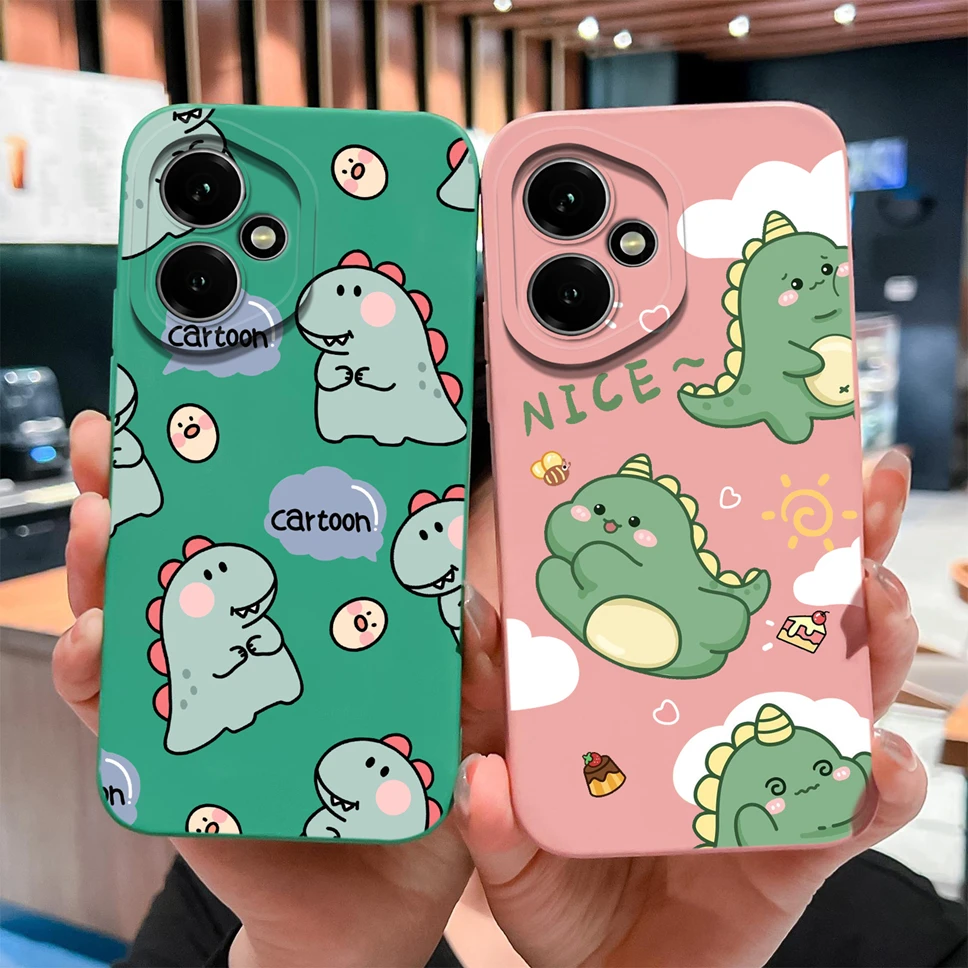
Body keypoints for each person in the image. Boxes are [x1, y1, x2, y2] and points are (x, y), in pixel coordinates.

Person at [53, 405, 966, 967]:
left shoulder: (890, 934)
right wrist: (316, 961)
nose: (579, 654)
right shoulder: (269, 873)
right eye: (534, 594)